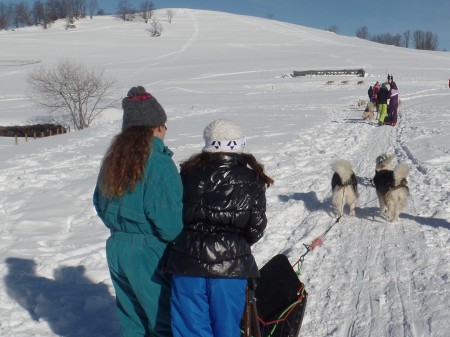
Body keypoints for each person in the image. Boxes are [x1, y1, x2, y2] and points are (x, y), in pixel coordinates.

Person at [164, 119, 274, 337]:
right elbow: (256, 226)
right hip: (230, 268)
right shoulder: (252, 179)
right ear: (239, 145)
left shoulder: (187, 174)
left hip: (187, 263)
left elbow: (175, 214)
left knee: (189, 330)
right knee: (227, 329)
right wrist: (235, 244)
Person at [93, 86, 183, 337]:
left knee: (131, 318)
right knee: (161, 318)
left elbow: (100, 203)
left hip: (116, 248)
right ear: (156, 127)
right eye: (163, 126)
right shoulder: (159, 163)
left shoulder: (114, 160)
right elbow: (170, 221)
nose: (165, 131)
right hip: (149, 251)